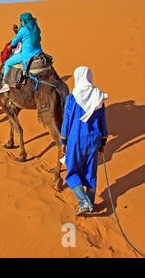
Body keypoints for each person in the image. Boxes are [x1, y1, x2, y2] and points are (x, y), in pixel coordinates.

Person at [60, 66, 109, 216]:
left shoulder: (71, 98)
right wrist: (103, 142)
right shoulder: (98, 97)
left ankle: (84, 201)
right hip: (93, 141)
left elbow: (66, 122)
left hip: (75, 141)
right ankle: (91, 204)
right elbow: (103, 122)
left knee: (72, 172)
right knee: (90, 173)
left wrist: (63, 141)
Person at [0, 12, 43, 93]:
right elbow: (25, 36)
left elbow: (15, 41)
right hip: (38, 52)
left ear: (24, 21)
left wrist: (10, 46)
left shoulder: (23, 30)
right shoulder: (35, 28)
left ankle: (6, 85)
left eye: (21, 21)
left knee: (7, 63)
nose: (21, 23)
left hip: (27, 54)